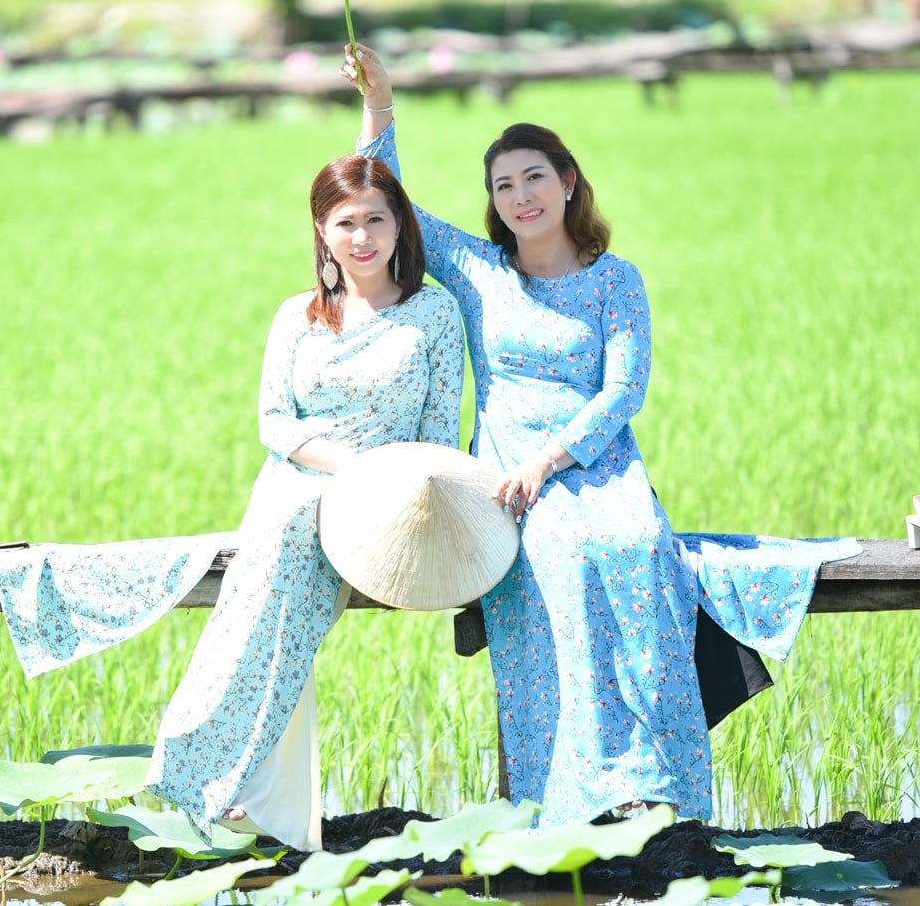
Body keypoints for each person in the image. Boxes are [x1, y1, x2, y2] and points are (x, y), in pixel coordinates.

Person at [339, 44, 861, 825]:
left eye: (534, 178)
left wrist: (557, 456)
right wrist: (380, 101)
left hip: (593, 458)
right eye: (503, 185)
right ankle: (566, 792)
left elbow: (624, 389)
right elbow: (388, 197)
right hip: (510, 472)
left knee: (634, 546)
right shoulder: (483, 272)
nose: (520, 196)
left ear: (568, 181)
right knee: (559, 556)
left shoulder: (616, 279)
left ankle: (658, 781)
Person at [0, 153, 465, 851]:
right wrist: (344, 464)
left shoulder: (434, 313)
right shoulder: (297, 316)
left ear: (401, 226)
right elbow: (274, 421)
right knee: (270, 576)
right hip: (300, 478)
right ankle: (215, 776)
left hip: (391, 495)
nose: (362, 237)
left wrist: (380, 480)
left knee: (284, 577)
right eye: (345, 223)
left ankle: (211, 779)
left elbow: (439, 435)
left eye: (376, 220)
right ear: (320, 231)